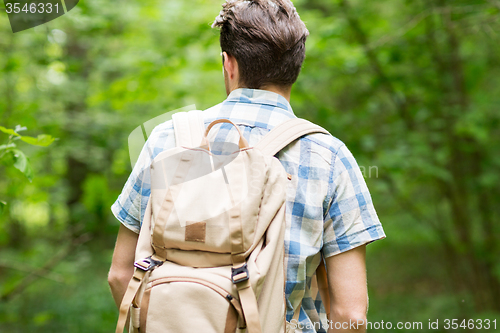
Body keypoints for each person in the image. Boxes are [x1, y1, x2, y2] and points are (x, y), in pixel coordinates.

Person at [108, 0, 385, 332]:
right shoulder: (329, 156)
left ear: (229, 64)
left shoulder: (167, 140)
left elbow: (121, 275)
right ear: (296, 68)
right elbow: (350, 315)